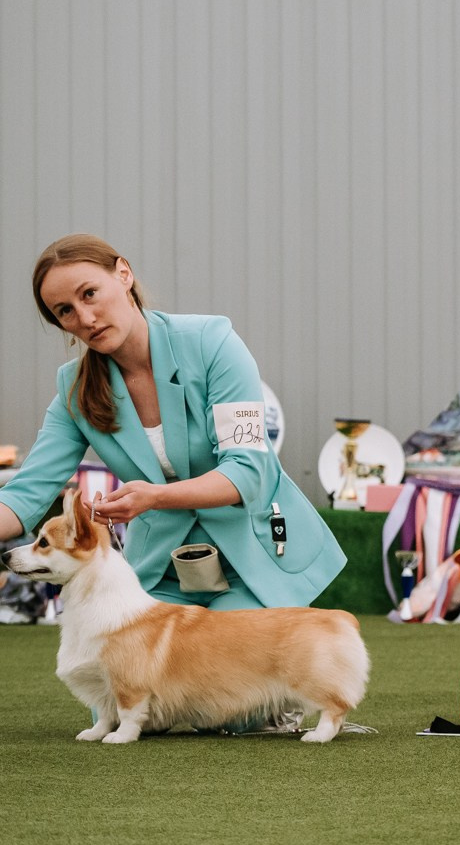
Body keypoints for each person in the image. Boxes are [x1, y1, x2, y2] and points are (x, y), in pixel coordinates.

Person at [0, 235, 345, 628]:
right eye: (65, 311)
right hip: (159, 572)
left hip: (256, 556)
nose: (86, 318)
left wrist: (155, 497)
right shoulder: (73, 390)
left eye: (90, 293)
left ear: (124, 274)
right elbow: (25, 494)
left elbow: (248, 473)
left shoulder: (214, 343)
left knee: (214, 669)